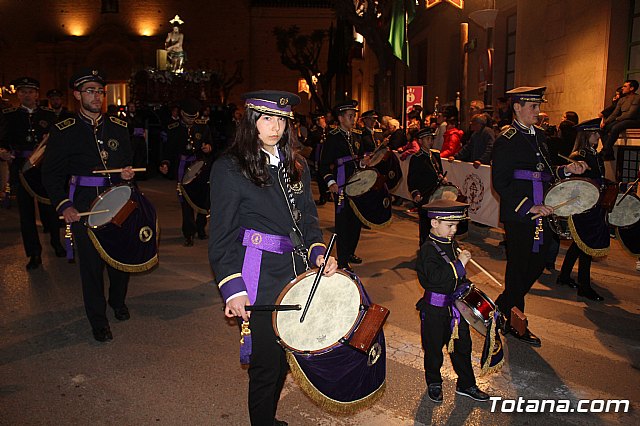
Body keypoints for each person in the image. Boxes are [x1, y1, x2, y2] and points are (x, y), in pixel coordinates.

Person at [208, 90, 337, 426]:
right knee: (266, 365)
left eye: (281, 119)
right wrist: (232, 288)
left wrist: (318, 251)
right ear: (250, 122)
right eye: (266, 118)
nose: (275, 126)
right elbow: (220, 236)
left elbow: (307, 216)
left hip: (296, 274)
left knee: (284, 357)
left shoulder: (296, 164)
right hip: (258, 275)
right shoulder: (230, 168)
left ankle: (267, 418)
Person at [42, 68, 136, 342]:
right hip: (84, 203)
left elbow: (124, 164)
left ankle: (117, 302)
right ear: (77, 95)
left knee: (121, 260)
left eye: (100, 91)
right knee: (92, 266)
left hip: (119, 200)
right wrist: (64, 205)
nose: (97, 96)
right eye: (90, 91)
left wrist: (126, 173)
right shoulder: (64, 131)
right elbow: (51, 174)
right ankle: (98, 319)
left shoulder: (119, 126)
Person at [491, 86, 587, 347]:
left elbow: (547, 171)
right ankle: (515, 324)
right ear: (517, 108)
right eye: (533, 107)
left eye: (538, 106)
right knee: (519, 266)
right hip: (521, 214)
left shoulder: (541, 137)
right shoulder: (506, 140)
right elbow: (500, 182)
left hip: (544, 208)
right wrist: (527, 207)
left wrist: (568, 169)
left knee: (540, 259)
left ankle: (502, 305)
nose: (538, 111)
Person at [415, 199, 491, 403]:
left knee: (462, 348)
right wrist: (460, 264)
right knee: (433, 349)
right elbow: (435, 279)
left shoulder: (450, 244)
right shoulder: (428, 249)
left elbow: (458, 279)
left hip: (455, 310)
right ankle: (434, 382)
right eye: (450, 225)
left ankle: (466, 384)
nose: (454, 230)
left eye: (456, 225)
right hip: (435, 309)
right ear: (434, 223)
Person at [0, 77, 64, 270]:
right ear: (18, 94)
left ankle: (56, 241)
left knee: (50, 208)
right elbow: (2, 139)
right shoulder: (8, 115)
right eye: (22, 92)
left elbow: (60, 140)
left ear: (37, 94)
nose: (26, 95)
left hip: (44, 169)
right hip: (21, 168)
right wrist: (3, 151)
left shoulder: (49, 114)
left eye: (30, 91)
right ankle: (34, 253)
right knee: (26, 214)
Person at [319, 100, 375, 270]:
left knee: (357, 221)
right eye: (350, 116)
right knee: (344, 222)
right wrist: (331, 182)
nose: (353, 119)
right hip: (342, 184)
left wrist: (365, 163)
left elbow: (360, 159)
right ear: (341, 118)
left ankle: (350, 251)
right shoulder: (333, 137)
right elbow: (323, 164)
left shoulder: (357, 135)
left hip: (358, 184)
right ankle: (342, 260)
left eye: (354, 115)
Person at [556, 118, 608, 301]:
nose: (599, 136)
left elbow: (598, 178)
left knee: (580, 244)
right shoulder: (580, 155)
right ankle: (584, 287)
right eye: (596, 133)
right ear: (588, 135)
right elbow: (578, 184)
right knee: (586, 246)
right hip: (583, 206)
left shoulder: (594, 153)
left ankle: (564, 276)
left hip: (593, 205)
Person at [159, 98, 213, 246]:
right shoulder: (173, 128)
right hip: (183, 167)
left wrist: (208, 147)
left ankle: (201, 228)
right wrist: (165, 163)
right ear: (181, 113)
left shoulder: (203, 127)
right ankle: (188, 233)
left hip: (200, 166)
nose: (191, 120)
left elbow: (210, 143)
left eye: (194, 117)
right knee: (186, 201)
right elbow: (168, 150)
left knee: (203, 198)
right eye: (189, 117)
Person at [407, 127, 443, 246]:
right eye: (427, 139)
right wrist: (415, 193)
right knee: (425, 224)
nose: (430, 141)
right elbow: (412, 179)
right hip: (424, 195)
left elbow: (439, 171)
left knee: (437, 224)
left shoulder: (435, 155)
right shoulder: (416, 158)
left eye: (431, 138)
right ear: (420, 141)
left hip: (436, 195)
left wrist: (442, 177)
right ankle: (424, 247)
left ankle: (436, 247)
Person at [600, 79, 640, 160]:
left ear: (632, 88)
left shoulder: (637, 98)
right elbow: (615, 113)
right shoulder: (622, 99)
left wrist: (617, 119)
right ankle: (608, 152)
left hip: (634, 120)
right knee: (603, 129)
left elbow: (630, 114)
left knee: (616, 127)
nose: (622, 88)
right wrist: (605, 122)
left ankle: (605, 151)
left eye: (625, 86)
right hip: (622, 120)